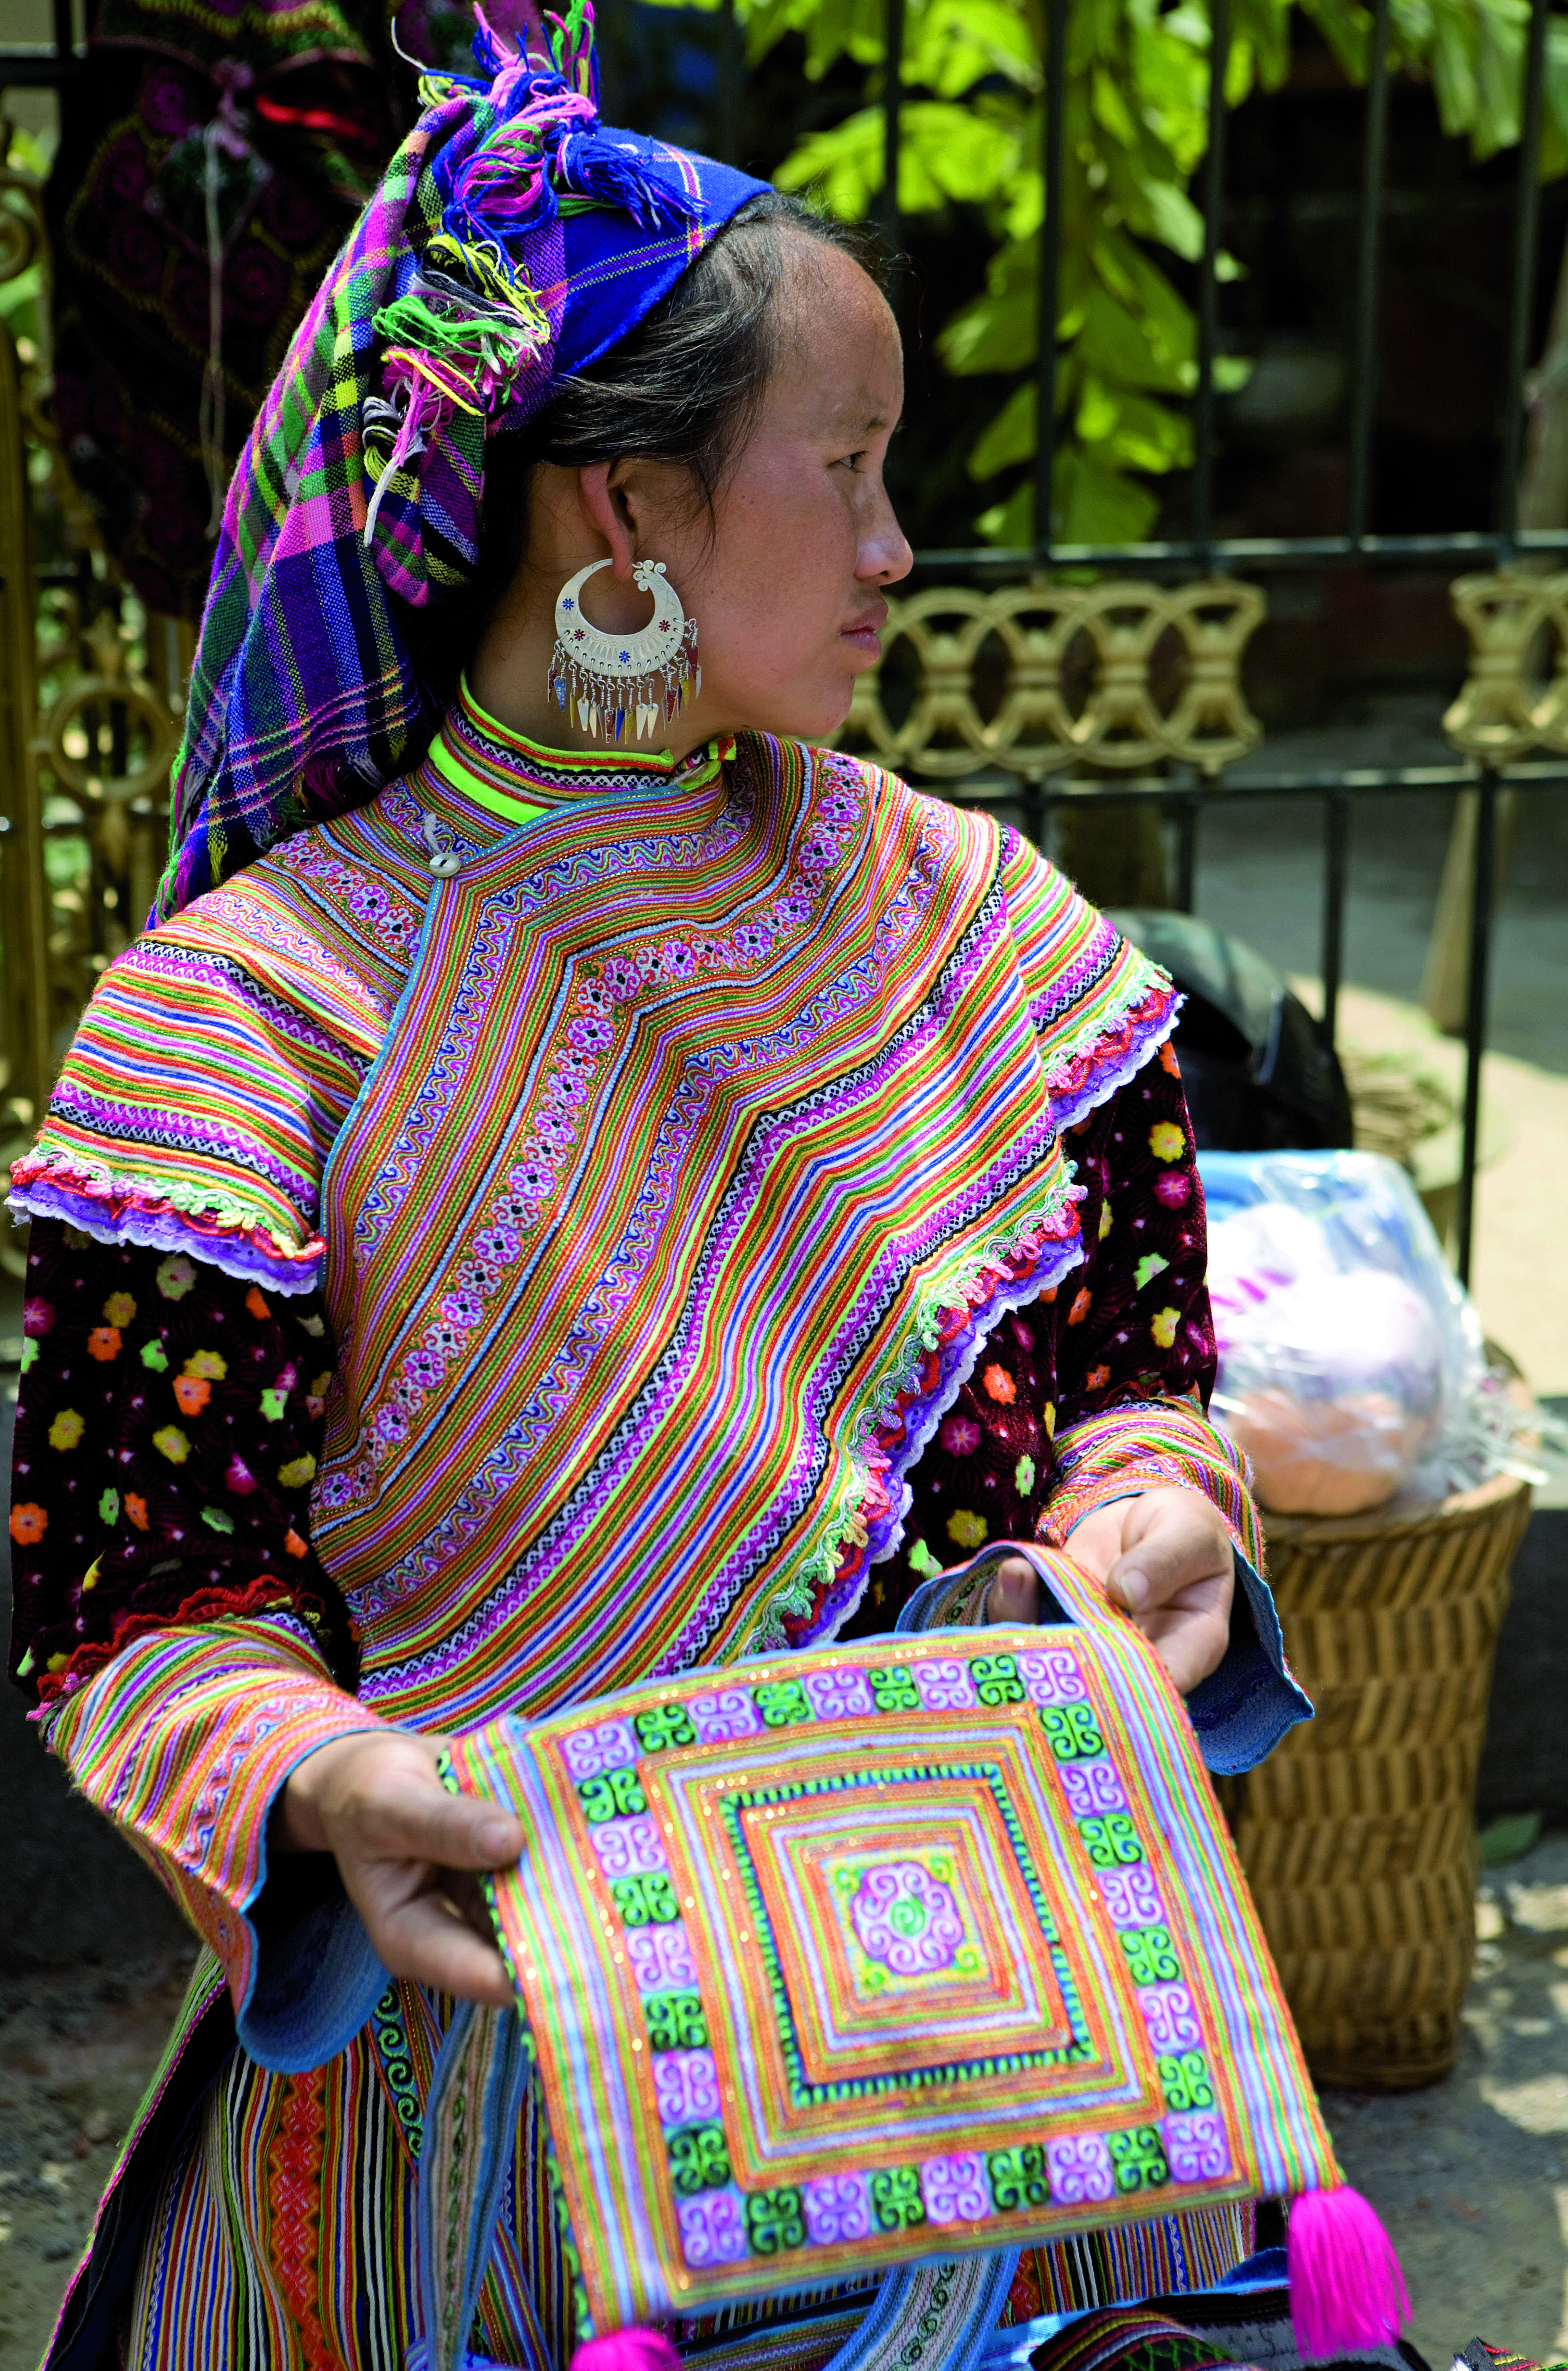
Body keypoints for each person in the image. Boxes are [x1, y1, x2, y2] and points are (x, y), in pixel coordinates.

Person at [8, 8, 1308, 2365]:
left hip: (997, 2070)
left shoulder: (975, 928)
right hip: (509, 2103)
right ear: (623, 511)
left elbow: (1139, 1372)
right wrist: (313, 1773)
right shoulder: (259, 1014)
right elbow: (140, 1579)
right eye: (856, 469)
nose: (903, 552)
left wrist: (1155, 1513)